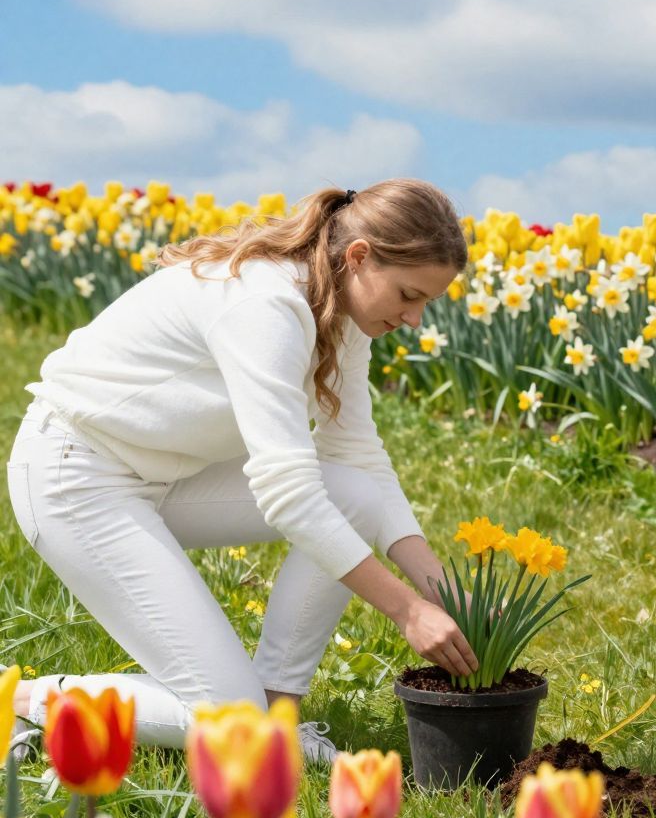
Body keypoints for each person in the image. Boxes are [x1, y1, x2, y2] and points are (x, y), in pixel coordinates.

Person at [6, 179, 477, 765]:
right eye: (409, 294)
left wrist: (445, 594)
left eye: (427, 302)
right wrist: (407, 610)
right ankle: (19, 700)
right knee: (232, 720)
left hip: (166, 475)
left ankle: (279, 711)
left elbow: (357, 458)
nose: (414, 317)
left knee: (353, 493)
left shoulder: (341, 313)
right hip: (77, 479)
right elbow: (289, 494)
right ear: (358, 257)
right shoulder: (266, 305)